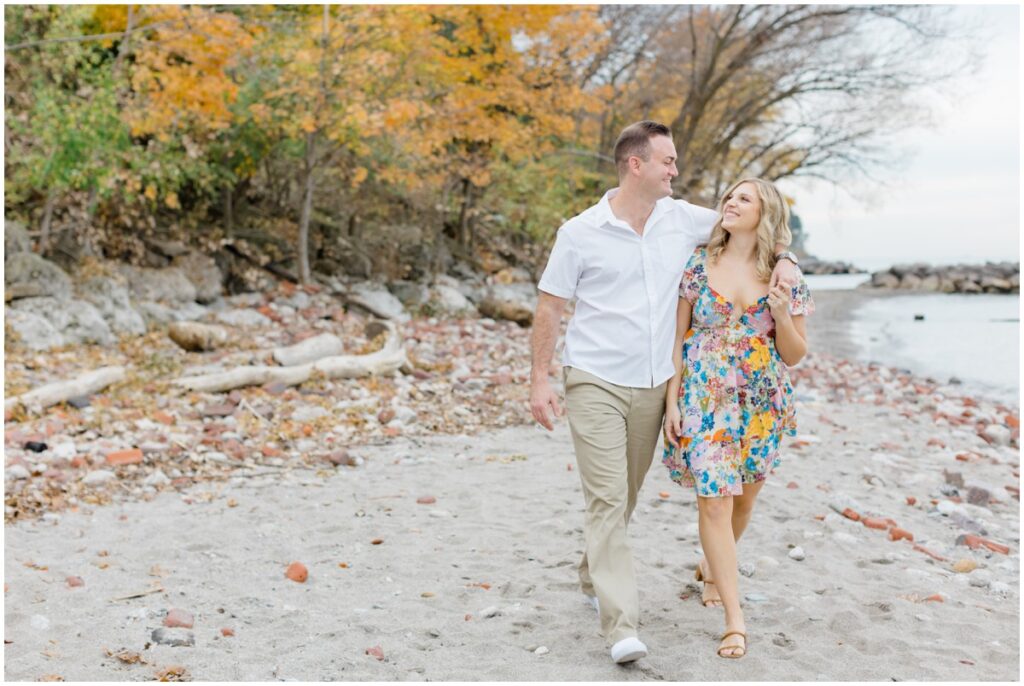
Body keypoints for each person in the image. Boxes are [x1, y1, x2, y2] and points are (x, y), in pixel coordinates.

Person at [529, 121, 801, 664]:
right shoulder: (579, 232)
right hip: (594, 378)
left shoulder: (684, 220)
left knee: (623, 494)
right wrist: (540, 378)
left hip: (655, 383)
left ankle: (592, 571)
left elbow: (757, 234)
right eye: (667, 162)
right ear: (637, 164)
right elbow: (549, 307)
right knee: (607, 500)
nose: (676, 171)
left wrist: (788, 262)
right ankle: (621, 627)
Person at [662, 177, 814, 659]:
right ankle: (734, 618)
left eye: (742, 198)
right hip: (703, 396)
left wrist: (783, 317)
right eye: (729, 196)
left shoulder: (785, 274)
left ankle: (712, 567)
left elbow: (794, 355)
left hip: (761, 400)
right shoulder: (696, 264)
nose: (730, 203)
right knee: (715, 502)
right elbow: (676, 338)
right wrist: (671, 401)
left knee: (743, 501)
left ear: (764, 212)